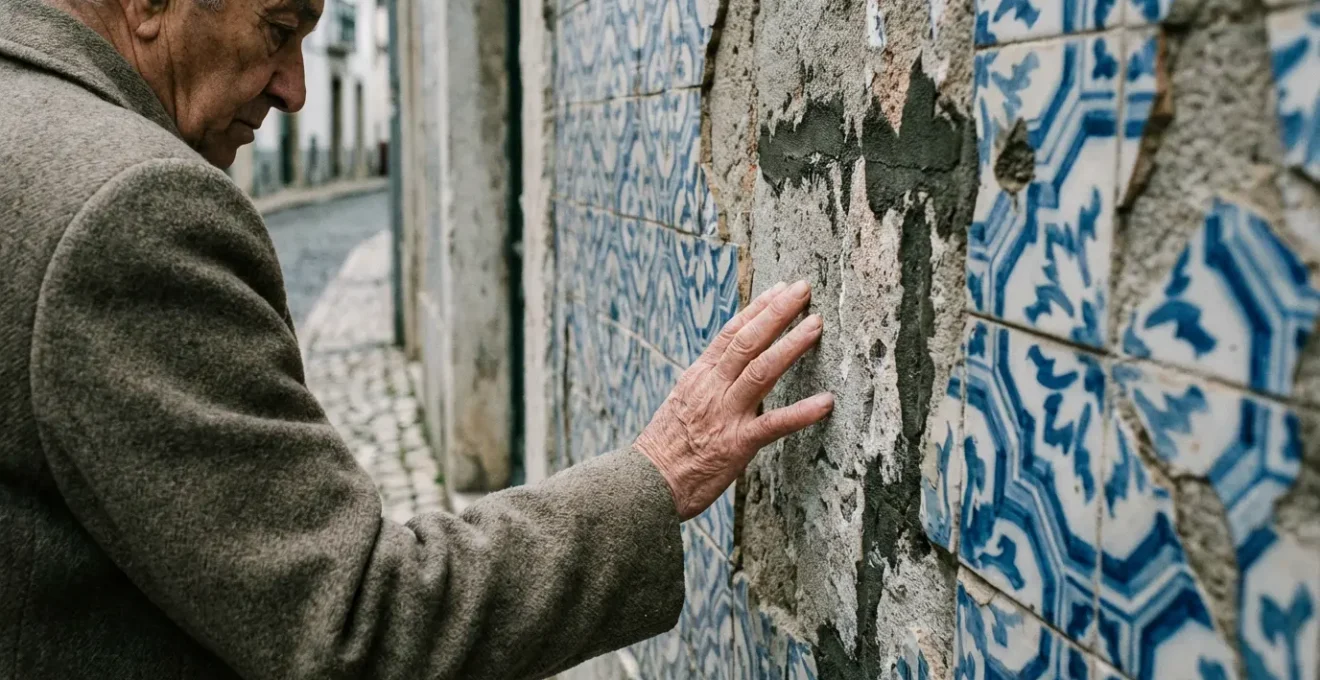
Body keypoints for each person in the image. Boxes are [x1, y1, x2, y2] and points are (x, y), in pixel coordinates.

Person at [0, 0, 835, 678]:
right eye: (279, 30)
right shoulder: (132, 210)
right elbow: (354, 622)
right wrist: (658, 473)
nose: (294, 89)